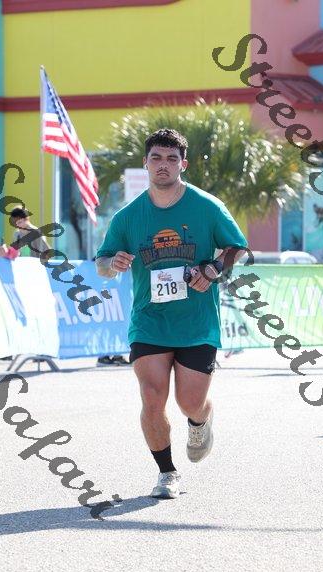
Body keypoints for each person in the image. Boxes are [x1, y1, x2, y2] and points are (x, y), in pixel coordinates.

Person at [96, 128, 247, 499]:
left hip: (197, 322)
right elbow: (102, 262)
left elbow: (237, 248)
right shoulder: (128, 216)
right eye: (156, 158)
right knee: (151, 397)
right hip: (149, 320)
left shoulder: (206, 206)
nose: (163, 165)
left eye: (171, 159)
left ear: (183, 164)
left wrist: (213, 269)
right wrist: (113, 263)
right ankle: (167, 473)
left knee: (189, 402)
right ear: (146, 163)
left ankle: (200, 420)